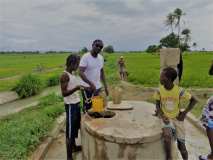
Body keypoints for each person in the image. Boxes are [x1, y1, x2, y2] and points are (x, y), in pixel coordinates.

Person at [154, 67, 197, 160]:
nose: (160, 78)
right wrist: (162, 115)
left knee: (182, 147)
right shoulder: (159, 90)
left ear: (168, 79)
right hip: (166, 118)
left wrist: (184, 113)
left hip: (177, 119)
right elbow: (157, 105)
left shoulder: (179, 91)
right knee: (167, 136)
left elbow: (194, 100)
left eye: (162, 76)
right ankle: (169, 157)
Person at [60, 54, 82, 160]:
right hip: (70, 106)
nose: (78, 65)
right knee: (69, 132)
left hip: (76, 105)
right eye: (77, 63)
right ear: (72, 63)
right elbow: (64, 93)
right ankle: (69, 157)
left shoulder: (72, 74)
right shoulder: (64, 75)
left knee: (74, 129)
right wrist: (76, 88)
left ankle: (74, 147)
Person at [79, 39, 109, 112]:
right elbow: (80, 72)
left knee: (98, 108)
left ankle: (96, 122)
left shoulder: (101, 58)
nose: (99, 48)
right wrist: (90, 83)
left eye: (101, 47)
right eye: (97, 45)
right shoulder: (85, 57)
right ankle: (86, 121)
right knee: (88, 108)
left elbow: (102, 72)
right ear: (92, 45)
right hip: (87, 88)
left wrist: (105, 87)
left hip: (98, 87)